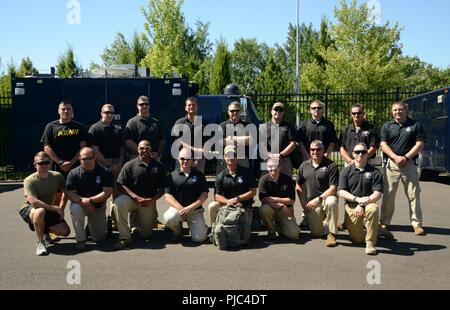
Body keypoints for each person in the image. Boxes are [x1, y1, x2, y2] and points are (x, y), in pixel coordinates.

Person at [379, 101, 426, 238]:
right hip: (392, 165)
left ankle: (417, 224)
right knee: (388, 195)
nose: (397, 112)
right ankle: (384, 222)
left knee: (413, 194)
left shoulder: (415, 125)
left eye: (400, 110)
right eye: (395, 110)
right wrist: (395, 157)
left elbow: (420, 143)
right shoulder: (387, 126)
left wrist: (405, 157)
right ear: (392, 112)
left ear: (406, 110)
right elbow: (383, 144)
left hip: (409, 164)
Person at [112, 140, 166, 250]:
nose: (144, 150)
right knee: (117, 203)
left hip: (148, 202)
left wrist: (152, 200)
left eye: (147, 148)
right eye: (141, 148)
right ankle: (125, 237)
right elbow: (120, 185)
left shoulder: (158, 166)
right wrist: (135, 197)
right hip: (131, 199)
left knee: (145, 235)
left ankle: (136, 224)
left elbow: (162, 188)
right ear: (137, 149)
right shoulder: (129, 165)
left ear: (151, 149)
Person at [19, 151, 70, 256]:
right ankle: (41, 242)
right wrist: (55, 209)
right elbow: (33, 202)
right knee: (39, 212)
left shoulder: (57, 176)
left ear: (50, 163)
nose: (44, 165)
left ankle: (44, 230)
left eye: (46, 163)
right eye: (40, 163)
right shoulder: (29, 180)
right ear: (35, 164)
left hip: (48, 209)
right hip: (30, 209)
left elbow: (65, 192)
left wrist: (61, 209)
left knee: (65, 231)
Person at [298, 100, 337, 229]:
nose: (316, 110)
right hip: (308, 161)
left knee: (324, 185)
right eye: (313, 108)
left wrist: (326, 155)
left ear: (322, 109)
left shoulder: (328, 125)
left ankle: (327, 216)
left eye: (319, 108)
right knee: (306, 188)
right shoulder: (304, 125)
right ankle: (306, 215)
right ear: (310, 110)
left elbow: (332, 142)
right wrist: (308, 156)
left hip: (323, 160)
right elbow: (301, 142)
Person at [338, 143, 383, 255]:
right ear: (353, 154)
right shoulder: (346, 171)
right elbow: (341, 191)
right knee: (356, 240)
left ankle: (370, 243)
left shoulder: (375, 172)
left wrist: (362, 204)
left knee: (373, 209)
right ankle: (377, 230)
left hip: (369, 203)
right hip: (352, 205)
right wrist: (357, 200)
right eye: (357, 152)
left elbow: (378, 193)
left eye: (363, 152)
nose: (360, 154)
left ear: (367, 154)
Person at [207, 145, 257, 245]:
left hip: (244, 207)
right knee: (212, 206)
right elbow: (217, 196)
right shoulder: (220, 176)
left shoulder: (247, 172)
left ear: (237, 157)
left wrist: (237, 199)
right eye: (228, 155)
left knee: (243, 232)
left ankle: (255, 217)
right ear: (224, 157)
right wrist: (228, 202)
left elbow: (253, 191)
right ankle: (214, 228)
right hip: (226, 207)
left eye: (233, 155)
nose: (230, 158)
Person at [66, 147, 113, 250]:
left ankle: (93, 227)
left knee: (99, 238)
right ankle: (81, 240)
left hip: (98, 206)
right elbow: (70, 194)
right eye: (84, 159)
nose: (87, 161)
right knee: (75, 208)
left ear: (95, 158)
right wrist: (83, 202)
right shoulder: (73, 173)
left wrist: (91, 201)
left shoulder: (104, 172)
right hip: (81, 204)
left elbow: (107, 193)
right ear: (79, 159)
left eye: (90, 158)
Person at [88, 103, 125, 232]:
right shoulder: (95, 128)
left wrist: (119, 163)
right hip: (101, 165)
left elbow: (122, 148)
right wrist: (109, 165)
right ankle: (96, 224)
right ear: (101, 113)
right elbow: (94, 151)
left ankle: (115, 221)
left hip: (117, 165)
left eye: (111, 113)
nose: (109, 115)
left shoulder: (117, 129)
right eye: (106, 112)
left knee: (118, 195)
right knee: (101, 195)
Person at [296, 140, 339, 247]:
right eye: (312, 150)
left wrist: (318, 199)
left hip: (326, 198)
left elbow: (333, 188)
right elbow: (298, 185)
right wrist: (303, 203)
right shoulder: (304, 165)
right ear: (309, 151)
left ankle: (332, 234)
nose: (315, 152)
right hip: (312, 203)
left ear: (323, 150)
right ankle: (329, 223)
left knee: (331, 202)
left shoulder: (331, 165)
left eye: (318, 149)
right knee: (316, 233)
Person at [163, 148, 209, 243]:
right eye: (182, 158)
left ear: (192, 160)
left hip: (195, 210)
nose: (185, 161)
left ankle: (202, 227)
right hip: (178, 209)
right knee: (168, 218)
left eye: (188, 159)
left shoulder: (199, 175)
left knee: (199, 239)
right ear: (178, 159)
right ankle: (178, 231)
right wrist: (180, 209)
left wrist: (190, 208)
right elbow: (167, 195)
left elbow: (204, 194)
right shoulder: (171, 175)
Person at [41, 99, 88, 178]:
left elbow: (83, 148)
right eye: (63, 109)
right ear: (58, 111)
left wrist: (71, 162)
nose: (66, 111)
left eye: (68, 109)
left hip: (76, 166)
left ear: (72, 111)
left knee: (74, 189)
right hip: (57, 166)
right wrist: (60, 162)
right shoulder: (50, 126)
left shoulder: (80, 127)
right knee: (57, 190)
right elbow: (47, 148)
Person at [258, 158, 300, 240]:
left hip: (286, 210)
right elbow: (263, 200)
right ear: (267, 167)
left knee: (294, 235)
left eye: (275, 166)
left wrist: (271, 199)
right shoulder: (263, 180)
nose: (273, 168)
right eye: (270, 166)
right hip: (274, 208)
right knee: (263, 209)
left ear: (280, 167)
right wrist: (280, 205)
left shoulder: (287, 179)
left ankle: (280, 225)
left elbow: (291, 200)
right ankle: (271, 230)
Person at [259, 102, 296, 177]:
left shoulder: (289, 126)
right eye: (276, 110)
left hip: (284, 160)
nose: (278, 112)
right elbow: (261, 144)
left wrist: (280, 155)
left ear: (283, 113)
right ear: (271, 111)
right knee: (266, 183)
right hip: (267, 160)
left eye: (280, 110)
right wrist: (270, 155)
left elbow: (293, 144)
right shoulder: (263, 127)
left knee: (286, 184)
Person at [173, 97, 207, 173]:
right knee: (180, 181)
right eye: (189, 105)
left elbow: (206, 143)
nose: (191, 107)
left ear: (197, 107)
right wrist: (194, 149)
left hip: (199, 160)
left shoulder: (204, 123)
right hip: (182, 159)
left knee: (198, 181)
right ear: (185, 108)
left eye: (193, 105)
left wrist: (198, 158)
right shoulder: (179, 123)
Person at [124, 95, 165, 160]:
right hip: (137, 158)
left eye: (146, 104)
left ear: (149, 106)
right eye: (141, 104)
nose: (144, 106)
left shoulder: (155, 122)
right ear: (137, 106)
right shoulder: (132, 122)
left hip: (154, 158)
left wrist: (158, 152)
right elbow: (128, 141)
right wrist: (143, 154)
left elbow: (162, 140)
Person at [219, 101, 253, 170]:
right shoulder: (222, 125)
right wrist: (241, 140)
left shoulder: (247, 125)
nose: (234, 113)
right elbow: (219, 142)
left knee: (244, 180)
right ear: (228, 112)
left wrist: (232, 138)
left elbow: (250, 140)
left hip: (242, 159)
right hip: (227, 159)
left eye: (237, 111)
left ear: (240, 112)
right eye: (232, 111)